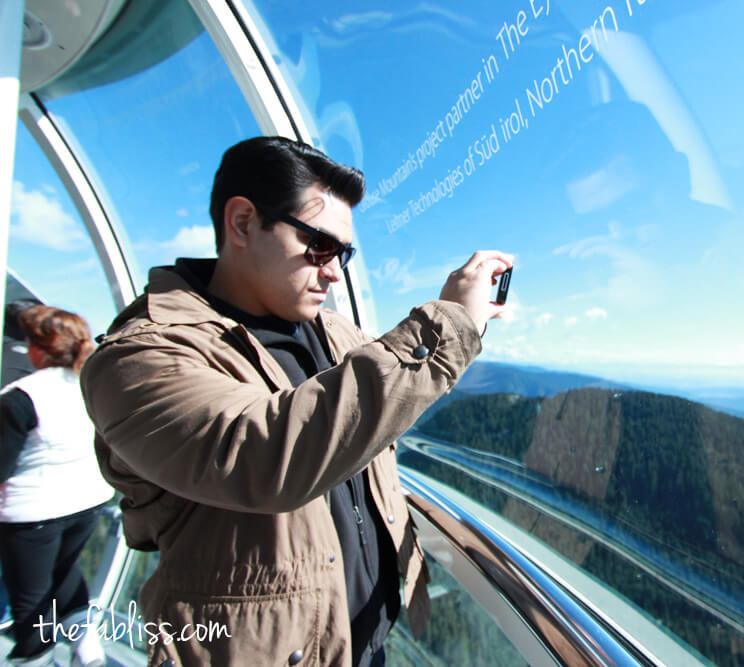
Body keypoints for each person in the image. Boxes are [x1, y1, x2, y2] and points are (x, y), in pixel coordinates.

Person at [80, 136, 512, 666]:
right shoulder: (140, 357)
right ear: (242, 223)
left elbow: (372, 410)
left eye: (344, 254)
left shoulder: (334, 333)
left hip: (361, 641)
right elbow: (264, 456)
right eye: (319, 246)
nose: (334, 271)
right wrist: (447, 324)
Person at [0, 305, 114, 667]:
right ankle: (88, 648)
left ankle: (36, 656)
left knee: (30, 599)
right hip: (87, 502)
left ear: (36, 348)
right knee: (64, 570)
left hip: (33, 513)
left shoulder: (21, 397)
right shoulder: (89, 384)